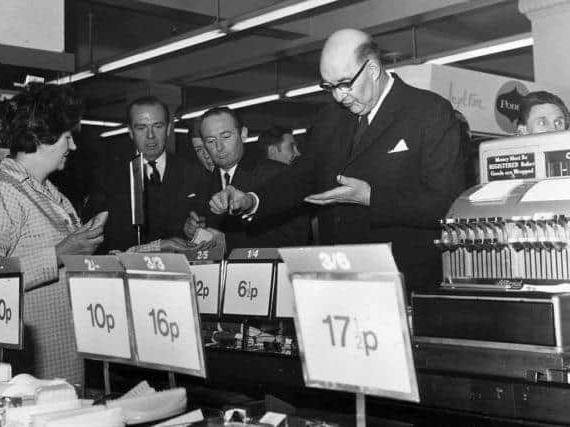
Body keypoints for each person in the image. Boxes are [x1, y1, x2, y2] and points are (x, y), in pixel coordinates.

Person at [209, 29, 465, 295]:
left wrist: (371, 197)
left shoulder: (429, 112)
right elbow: (300, 179)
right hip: (339, 283)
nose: (339, 96)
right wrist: (252, 200)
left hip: (404, 284)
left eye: (345, 83)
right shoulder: (330, 120)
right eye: (329, 87)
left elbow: (445, 202)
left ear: (374, 69)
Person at [0, 83, 106, 383]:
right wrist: (58, 254)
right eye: (68, 137)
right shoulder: (0, 193)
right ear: (41, 138)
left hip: (63, 356)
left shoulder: (54, 196)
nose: (73, 146)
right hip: (27, 374)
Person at [84, 96, 200, 253]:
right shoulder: (107, 178)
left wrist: (196, 231)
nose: (150, 136)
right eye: (141, 128)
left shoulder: (193, 173)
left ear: (168, 128)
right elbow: (94, 240)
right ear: (130, 132)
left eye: (157, 126)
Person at [185, 107, 309, 251]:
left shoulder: (276, 174)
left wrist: (228, 243)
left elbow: (296, 237)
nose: (219, 147)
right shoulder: (203, 186)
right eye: (211, 141)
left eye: (225, 136)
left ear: (243, 134)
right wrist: (194, 231)